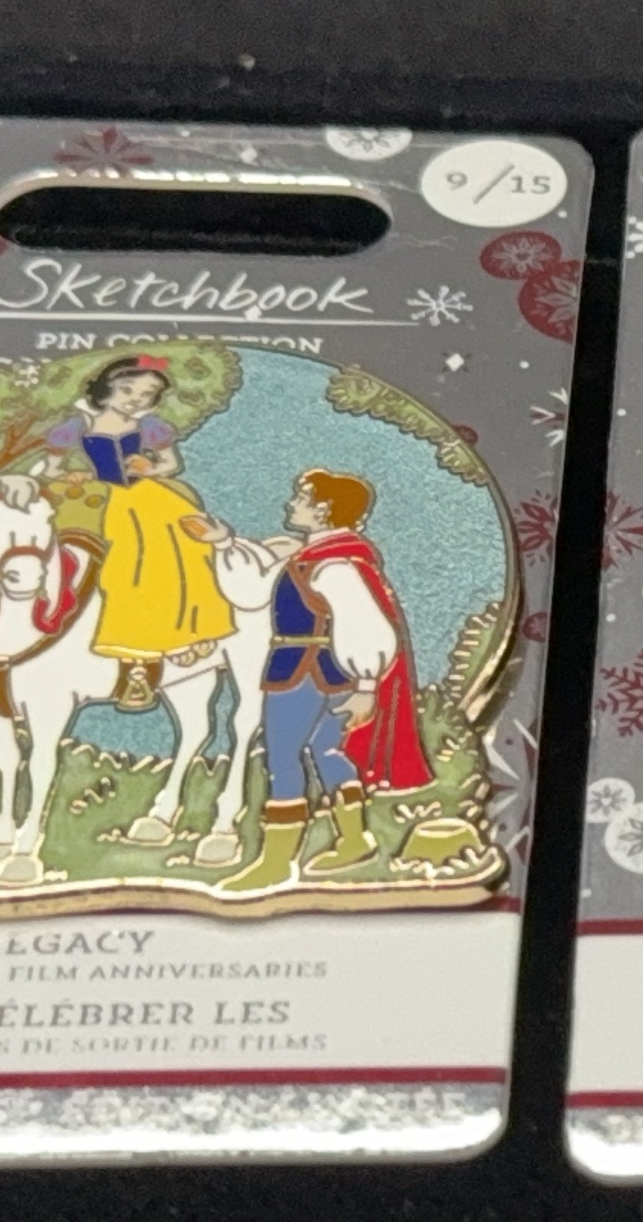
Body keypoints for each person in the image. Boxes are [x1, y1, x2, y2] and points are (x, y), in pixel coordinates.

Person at [222, 469, 433, 893]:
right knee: (328, 750)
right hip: (325, 670)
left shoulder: (332, 566)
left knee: (283, 758)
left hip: (303, 671)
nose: (291, 504)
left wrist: (367, 686)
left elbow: (367, 627)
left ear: (323, 510)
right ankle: (354, 840)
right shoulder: (323, 557)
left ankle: (276, 863)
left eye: (301, 498)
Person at [45, 356, 231, 712]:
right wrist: (73, 475)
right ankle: (134, 657)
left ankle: (194, 626)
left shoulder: (148, 428)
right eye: (127, 390)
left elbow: (171, 464)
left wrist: (150, 467)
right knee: (126, 563)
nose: (135, 400)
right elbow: (52, 468)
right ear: (106, 388)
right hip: (105, 497)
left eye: (146, 395)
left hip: (147, 494)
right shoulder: (78, 426)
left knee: (186, 545)